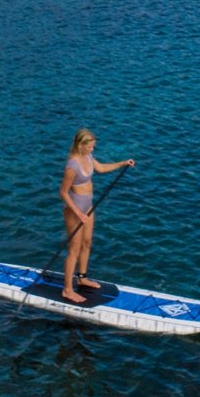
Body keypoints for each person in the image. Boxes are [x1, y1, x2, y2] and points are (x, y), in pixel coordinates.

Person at [59, 128, 135, 303]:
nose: (92, 149)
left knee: (87, 243)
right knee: (74, 249)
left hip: (88, 207)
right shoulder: (72, 165)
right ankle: (67, 290)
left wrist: (123, 163)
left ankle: (82, 278)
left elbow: (100, 168)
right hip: (75, 210)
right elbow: (63, 192)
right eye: (90, 146)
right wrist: (78, 213)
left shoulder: (88, 157)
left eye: (93, 146)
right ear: (81, 145)